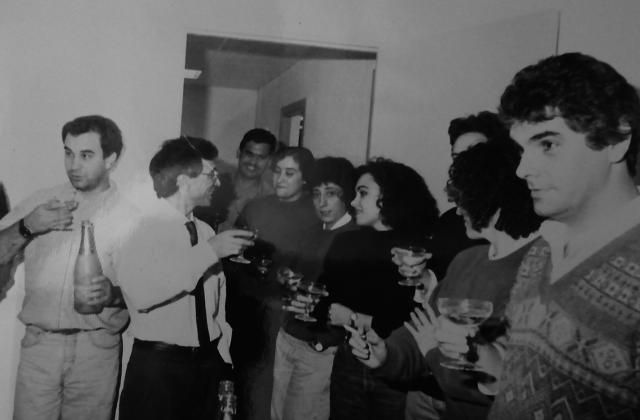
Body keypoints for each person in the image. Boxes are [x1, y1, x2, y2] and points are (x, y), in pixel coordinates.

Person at [452, 52, 640, 418]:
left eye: (548, 144)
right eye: (523, 149)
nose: (522, 169)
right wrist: (493, 364)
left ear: (616, 140)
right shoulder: (542, 251)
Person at [349, 140, 542, 420]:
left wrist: (431, 352)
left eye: (464, 198)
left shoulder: (535, 268)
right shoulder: (468, 259)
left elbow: (498, 387)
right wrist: (385, 355)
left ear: (490, 197)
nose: (458, 208)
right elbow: (419, 331)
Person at [0, 115, 137, 420]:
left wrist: (113, 295)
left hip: (96, 351)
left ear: (111, 159)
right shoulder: (41, 202)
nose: (73, 164)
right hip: (41, 348)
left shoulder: (131, 217)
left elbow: (150, 293)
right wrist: (27, 226)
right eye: (68, 152)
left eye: (86, 155)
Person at [116, 137, 253, 419]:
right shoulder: (142, 229)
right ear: (182, 179)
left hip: (207, 365)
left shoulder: (205, 231)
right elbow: (140, 294)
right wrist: (209, 252)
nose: (217, 181)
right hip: (159, 369)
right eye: (210, 174)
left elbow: (216, 307)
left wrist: (223, 361)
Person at [320, 158, 439, 419]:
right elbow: (326, 301)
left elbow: (412, 320)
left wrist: (354, 317)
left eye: (363, 193)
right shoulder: (345, 242)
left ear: (390, 196)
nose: (353, 202)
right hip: (350, 359)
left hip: (399, 368)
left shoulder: (416, 251)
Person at [228, 146, 318, 420]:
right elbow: (237, 254)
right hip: (247, 312)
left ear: (305, 179)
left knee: (275, 393)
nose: (280, 179)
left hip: (283, 316)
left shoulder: (314, 214)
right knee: (245, 387)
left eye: (289, 173)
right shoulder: (257, 207)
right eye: (277, 171)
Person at [271, 156, 358, 420]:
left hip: (319, 346)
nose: (322, 202)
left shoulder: (356, 239)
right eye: (317, 194)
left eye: (331, 194)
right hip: (288, 337)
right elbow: (288, 272)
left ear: (348, 197)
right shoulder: (310, 232)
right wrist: (284, 276)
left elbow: (352, 299)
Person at [428, 111, 510, 280]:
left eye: (474, 154)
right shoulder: (450, 221)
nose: (463, 166)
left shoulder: (518, 222)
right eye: (457, 158)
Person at [218, 128, 278, 231]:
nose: (253, 162)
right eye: (249, 154)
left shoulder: (271, 199)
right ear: (238, 153)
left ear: (269, 161)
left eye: (261, 157)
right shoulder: (215, 185)